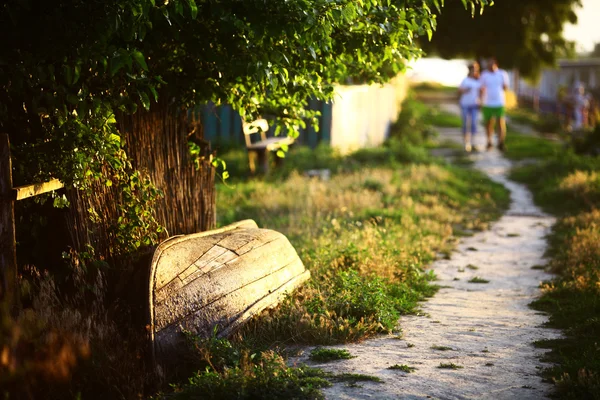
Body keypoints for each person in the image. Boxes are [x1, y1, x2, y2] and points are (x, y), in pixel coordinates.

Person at [479, 58, 510, 151]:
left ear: (496, 64)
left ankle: (501, 142)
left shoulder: (502, 74)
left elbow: (506, 87)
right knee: (488, 123)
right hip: (487, 103)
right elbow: (480, 88)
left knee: (500, 122)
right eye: (489, 64)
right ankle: (489, 142)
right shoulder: (484, 75)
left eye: (492, 64)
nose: (491, 66)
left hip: (499, 102)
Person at [458, 62, 481, 152]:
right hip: (465, 104)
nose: (474, 71)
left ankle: (473, 143)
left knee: (474, 124)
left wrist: (481, 101)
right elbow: (459, 90)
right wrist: (465, 90)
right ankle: (466, 144)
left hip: (474, 105)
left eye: (475, 70)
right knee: (465, 124)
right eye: (472, 69)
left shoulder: (478, 81)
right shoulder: (465, 80)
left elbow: (481, 92)